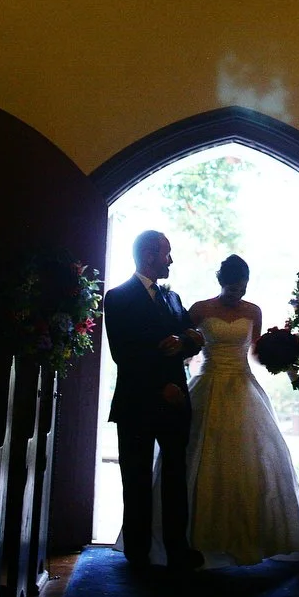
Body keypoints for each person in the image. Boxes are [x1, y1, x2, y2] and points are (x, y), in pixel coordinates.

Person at [182, 254, 299, 566]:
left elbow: (256, 351)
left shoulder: (253, 311)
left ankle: (245, 536)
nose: (238, 294)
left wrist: (284, 358)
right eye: (232, 289)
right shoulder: (200, 309)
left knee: (245, 458)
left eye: (242, 289)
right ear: (221, 282)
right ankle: (195, 537)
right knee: (200, 453)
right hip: (207, 384)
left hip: (241, 385)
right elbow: (184, 346)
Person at [105, 230, 206, 571]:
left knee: (175, 477)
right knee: (135, 479)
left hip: (176, 402)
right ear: (149, 256)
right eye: (167, 253)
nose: (171, 260)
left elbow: (192, 338)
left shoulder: (173, 297)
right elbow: (124, 353)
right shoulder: (117, 298)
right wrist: (158, 386)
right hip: (137, 402)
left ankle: (178, 549)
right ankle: (137, 552)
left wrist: (189, 339)